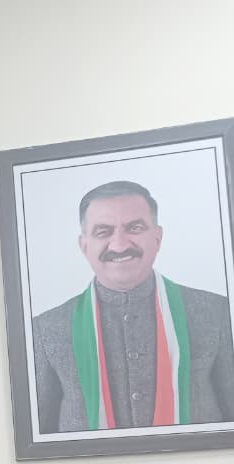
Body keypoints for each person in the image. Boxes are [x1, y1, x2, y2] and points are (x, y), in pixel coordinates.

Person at [31, 180, 234, 432]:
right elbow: (39, 436)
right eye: (103, 232)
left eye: (135, 228)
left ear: (157, 238)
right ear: (84, 246)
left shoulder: (217, 312)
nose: (120, 245)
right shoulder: (45, 330)